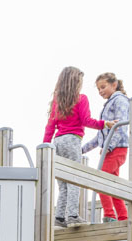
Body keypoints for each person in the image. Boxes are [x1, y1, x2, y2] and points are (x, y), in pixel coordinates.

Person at [43, 66, 93, 227]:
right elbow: (86, 120)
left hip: (58, 142)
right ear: (76, 82)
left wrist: (45, 147)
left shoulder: (58, 102)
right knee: (74, 178)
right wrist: (104, 124)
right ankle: (72, 215)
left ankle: (59, 218)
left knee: (62, 182)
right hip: (72, 141)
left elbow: (50, 127)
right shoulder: (81, 98)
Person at [81, 72, 131, 223]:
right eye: (98, 89)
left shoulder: (120, 101)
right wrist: (82, 149)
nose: (100, 91)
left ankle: (109, 215)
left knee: (100, 179)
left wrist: (109, 147)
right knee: (112, 184)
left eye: (103, 87)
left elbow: (121, 125)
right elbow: (100, 136)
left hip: (117, 148)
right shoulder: (109, 103)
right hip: (112, 149)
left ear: (113, 84)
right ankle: (123, 217)